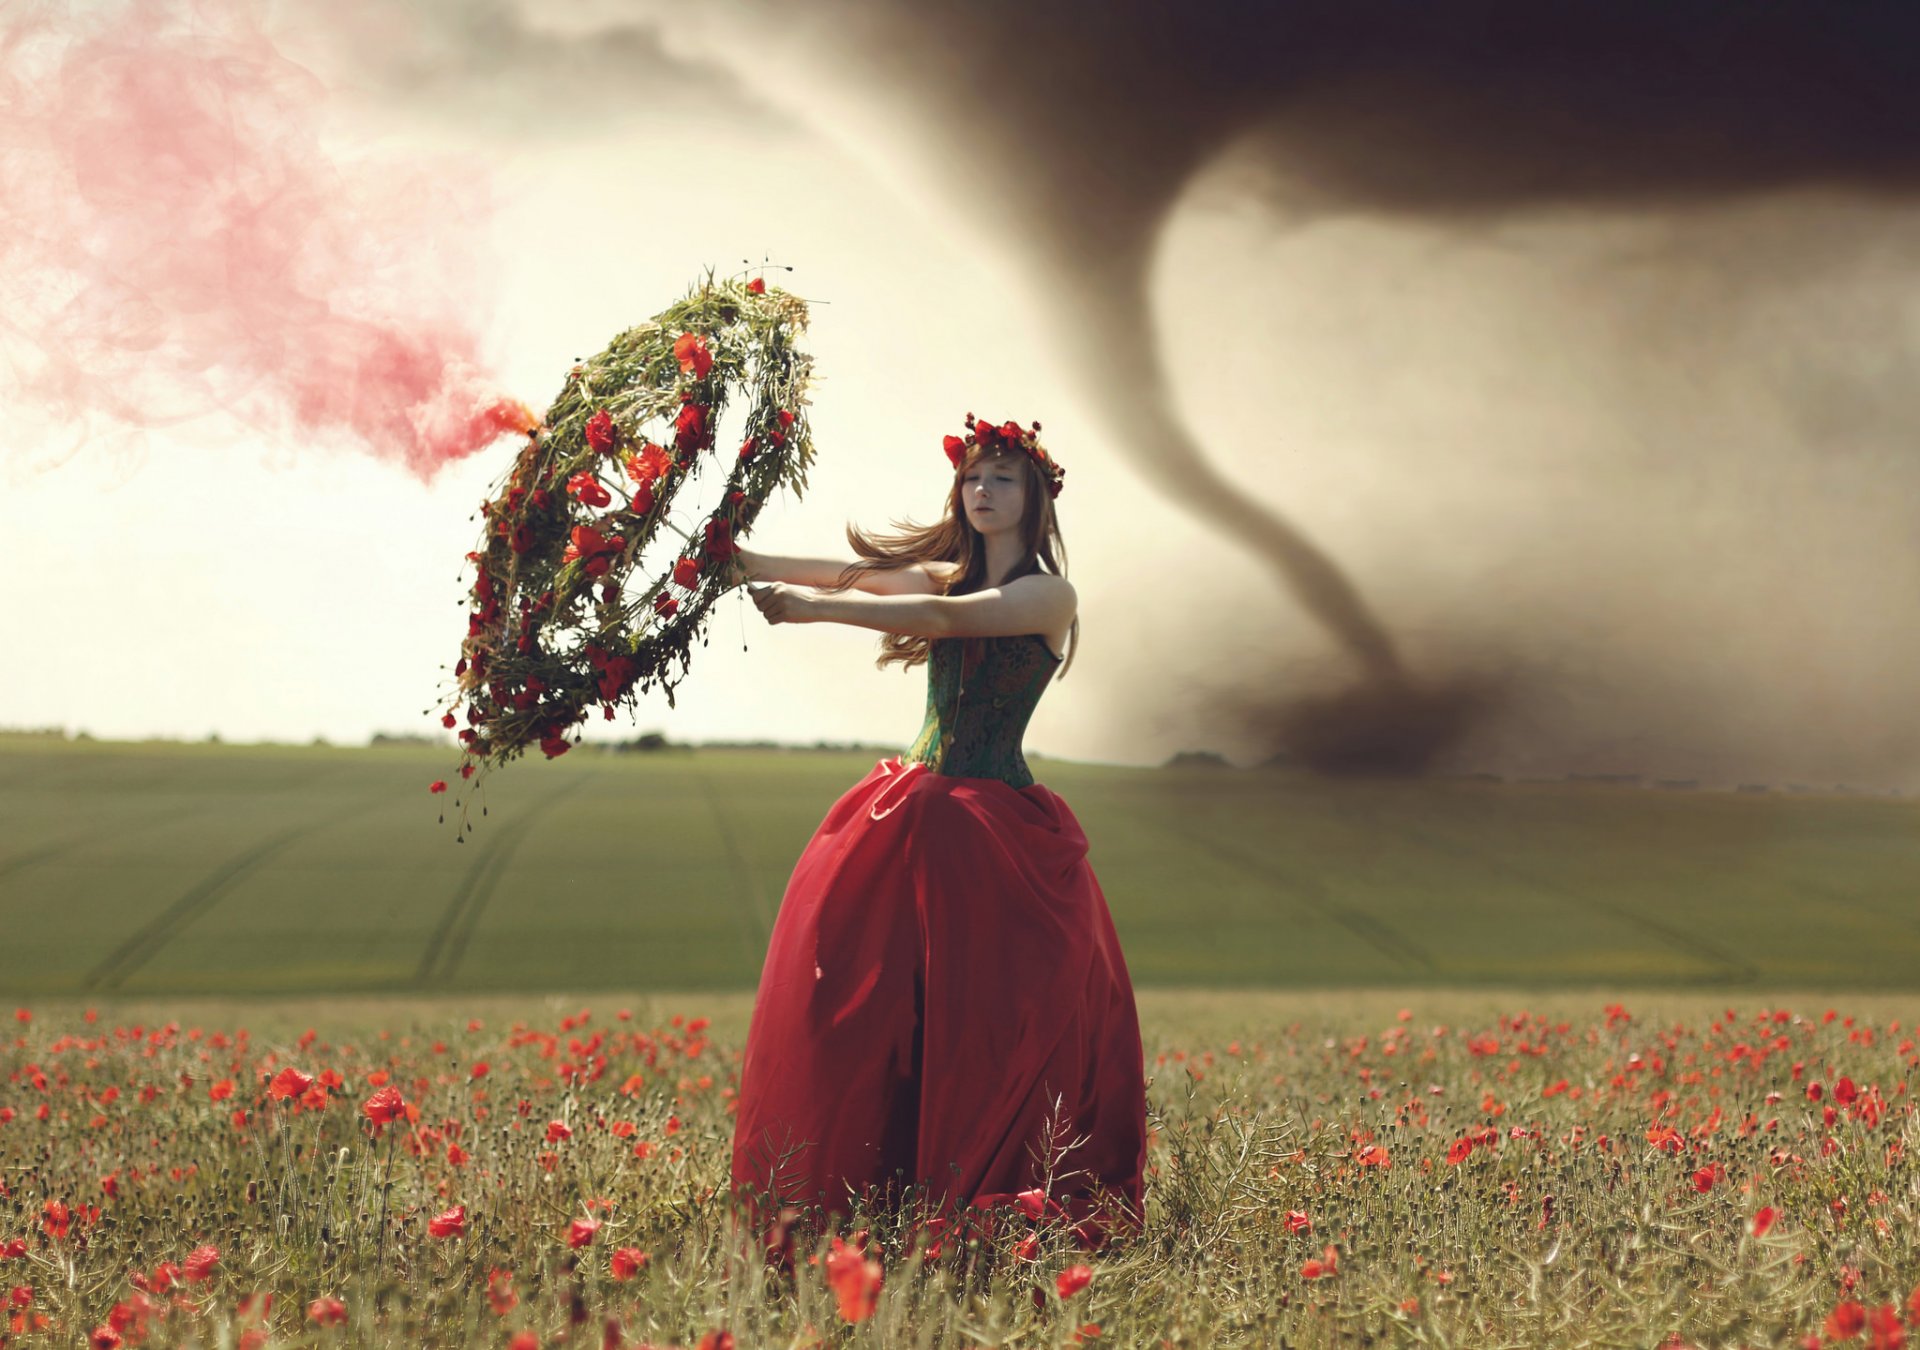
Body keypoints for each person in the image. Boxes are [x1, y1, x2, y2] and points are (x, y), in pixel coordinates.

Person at [726, 414, 1147, 1263]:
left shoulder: (1047, 595)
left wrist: (815, 611)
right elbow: (855, 571)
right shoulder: (950, 575)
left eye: (1002, 478)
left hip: (994, 835)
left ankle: (979, 1203)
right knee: (866, 1008)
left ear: (1036, 498)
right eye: (972, 478)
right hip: (912, 814)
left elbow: (944, 619)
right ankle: (861, 1195)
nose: (982, 490)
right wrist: (740, 559)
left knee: (987, 1022)